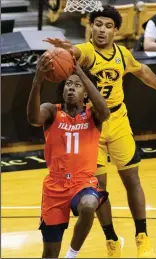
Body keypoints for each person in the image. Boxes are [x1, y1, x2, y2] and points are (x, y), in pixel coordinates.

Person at [44, 5, 156, 258]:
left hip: (117, 119)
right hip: (89, 125)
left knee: (131, 179)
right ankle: (112, 239)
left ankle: (142, 237)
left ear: (116, 30)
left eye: (108, 26)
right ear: (90, 27)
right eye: (98, 24)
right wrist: (63, 50)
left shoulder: (123, 54)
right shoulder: (84, 51)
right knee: (97, 189)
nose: (102, 30)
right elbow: (72, 52)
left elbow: (142, 71)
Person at [27, 52, 110, 258]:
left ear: (86, 93)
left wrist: (80, 72)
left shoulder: (93, 115)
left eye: (77, 84)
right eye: (68, 84)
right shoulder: (52, 111)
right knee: (49, 253)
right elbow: (33, 118)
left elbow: (106, 112)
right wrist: (37, 82)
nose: (71, 87)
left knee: (89, 206)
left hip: (83, 183)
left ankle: (72, 254)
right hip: (55, 187)